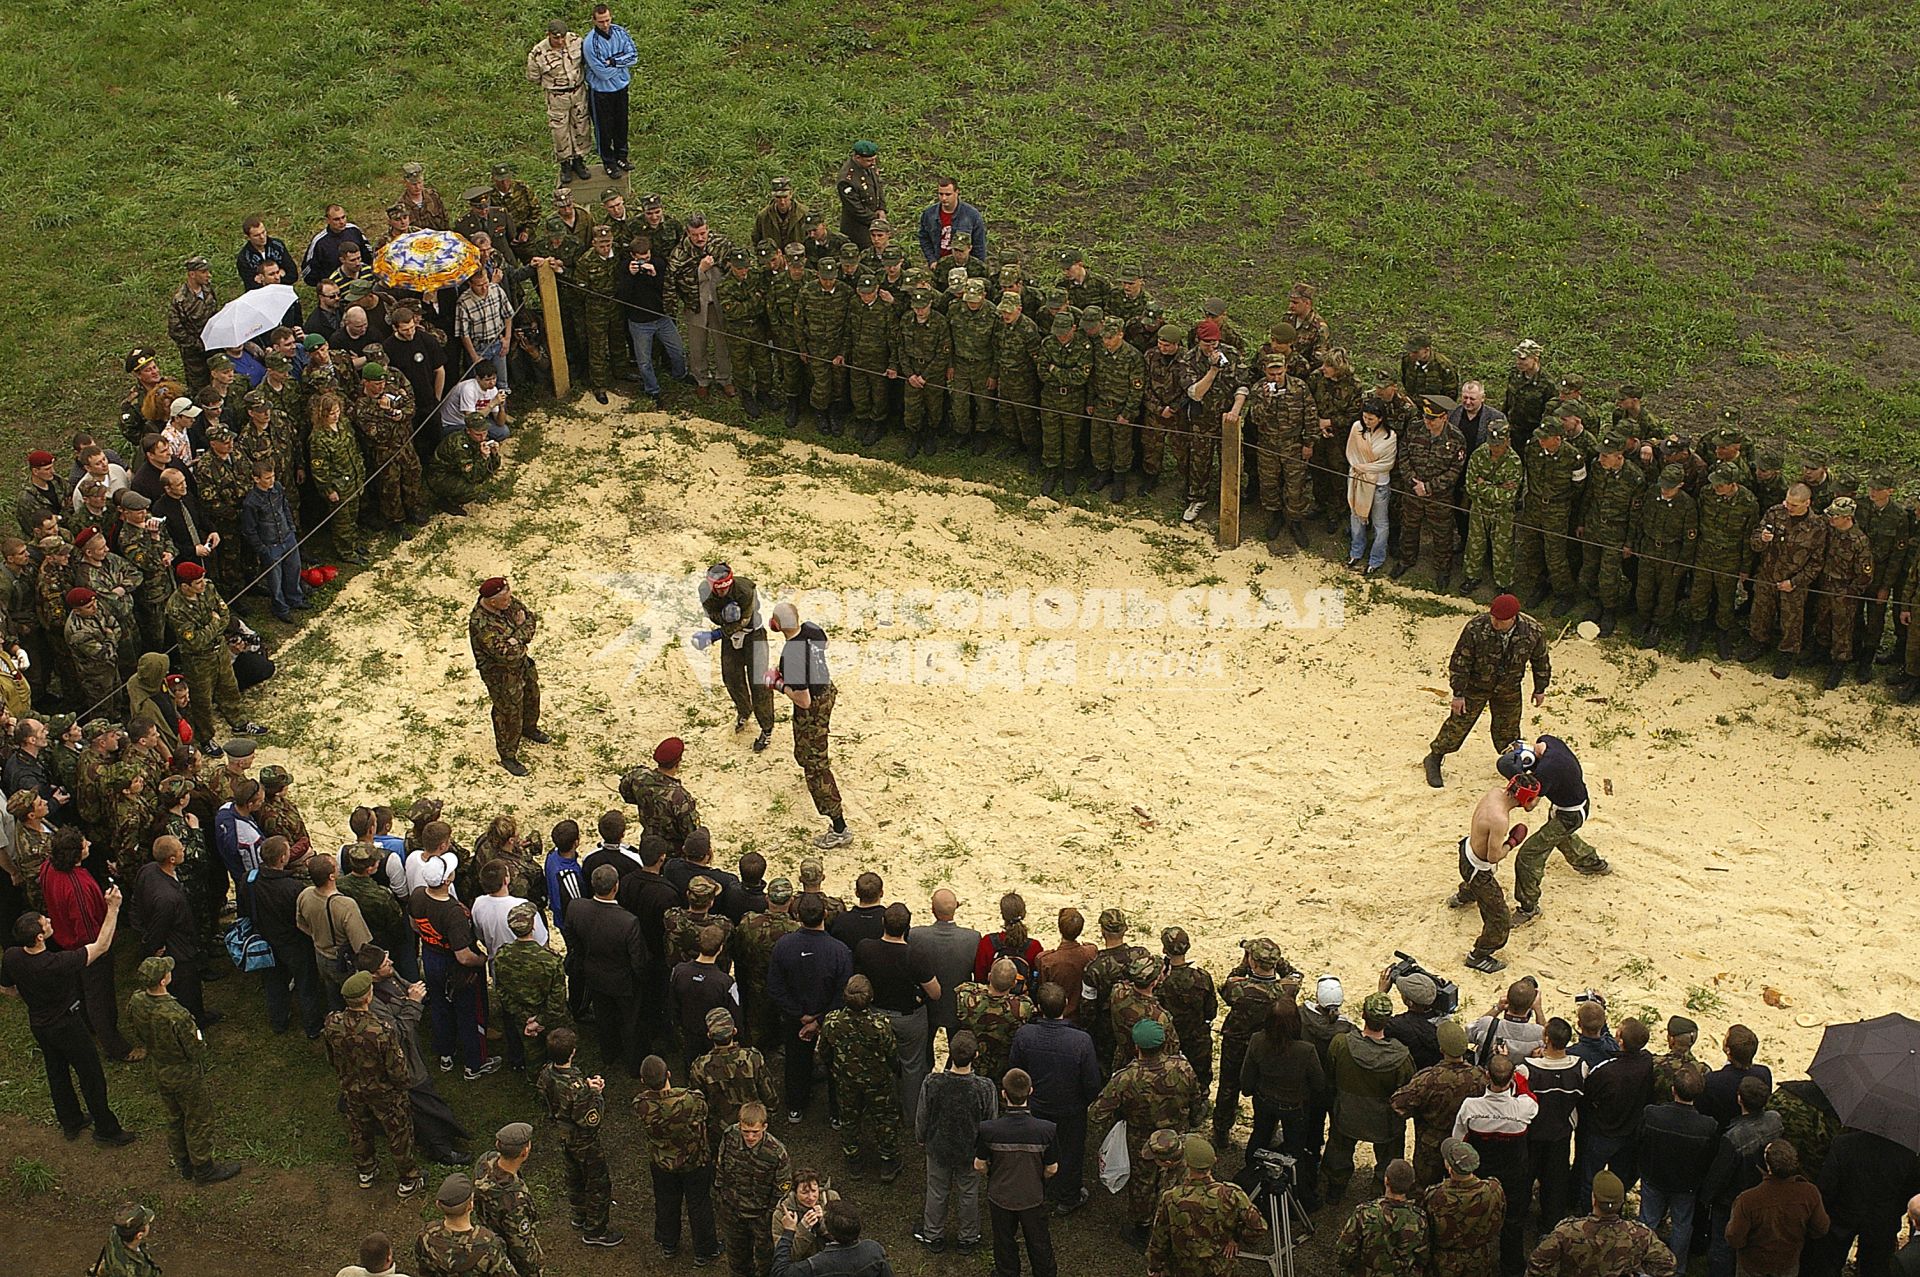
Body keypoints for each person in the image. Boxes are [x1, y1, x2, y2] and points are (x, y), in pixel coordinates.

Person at [2, 896, 136, 1143]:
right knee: (91, 1076)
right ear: (39, 937)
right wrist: (114, 908)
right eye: (46, 922)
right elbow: (101, 946)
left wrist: (30, 997)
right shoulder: (56, 963)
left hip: (40, 1025)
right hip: (68, 1025)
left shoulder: (11, 956)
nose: (50, 920)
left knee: (57, 1072)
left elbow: (7, 988)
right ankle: (107, 1130)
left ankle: (71, 1121)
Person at [1091, 1020, 1208, 1245]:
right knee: (1175, 1177)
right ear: (1164, 1044)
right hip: (1176, 1135)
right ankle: (1173, 1220)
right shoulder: (1183, 1067)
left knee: (1143, 1182)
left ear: (1137, 1047)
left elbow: (1097, 1113)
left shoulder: (1126, 1078)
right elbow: (1197, 1099)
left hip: (1141, 1138)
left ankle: (1142, 1227)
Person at [1424, 594, 1550, 789]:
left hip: (1508, 687)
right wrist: (1458, 693)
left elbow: (1540, 660)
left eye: (1500, 620)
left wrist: (1540, 688)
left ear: (1513, 618)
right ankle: (1435, 757)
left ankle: (1514, 768)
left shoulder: (1532, 631)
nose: (1495, 622)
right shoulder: (1476, 627)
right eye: (1493, 618)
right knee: (1458, 725)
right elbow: (1460, 660)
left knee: (1508, 731)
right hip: (1475, 686)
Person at [322, 970, 426, 1196]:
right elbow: (397, 1068)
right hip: (384, 1092)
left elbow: (331, 1057)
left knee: (359, 1129)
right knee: (399, 1133)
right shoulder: (381, 1030)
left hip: (352, 1088)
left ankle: (365, 1171)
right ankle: (408, 1179)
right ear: (369, 996)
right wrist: (403, 1086)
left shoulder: (333, 1023)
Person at [1007, 981, 1100, 1216]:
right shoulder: (1081, 1040)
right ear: (1066, 1005)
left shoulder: (1025, 1034)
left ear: (1038, 1007)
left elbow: (1016, 1070)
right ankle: (1068, 1197)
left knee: (1034, 1149)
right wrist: (1084, 1101)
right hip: (1070, 1108)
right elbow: (1091, 1081)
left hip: (1036, 1104)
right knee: (1070, 1151)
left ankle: (1035, 1190)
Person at [767, 599, 850, 849]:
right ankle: (807, 760)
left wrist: (778, 684)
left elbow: (803, 701)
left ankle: (839, 827)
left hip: (811, 705)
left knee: (815, 766)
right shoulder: (812, 629)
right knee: (805, 750)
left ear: (777, 625)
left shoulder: (791, 655)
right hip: (826, 692)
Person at [1236, 997, 1328, 1210]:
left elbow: (1247, 1075)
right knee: (1295, 1151)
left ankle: (1251, 1179)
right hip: (1294, 1107)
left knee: (1259, 1138)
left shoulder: (1257, 1040)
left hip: (1264, 1101)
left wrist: (1249, 1090)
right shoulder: (1305, 1051)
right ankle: (1300, 1195)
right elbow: (1319, 1083)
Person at [408, 854, 494, 1079]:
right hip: (455, 966)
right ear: (447, 881)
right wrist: (482, 960)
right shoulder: (454, 912)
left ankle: (445, 1054)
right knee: (468, 1013)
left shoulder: (417, 895)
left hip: (430, 957)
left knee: (439, 1006)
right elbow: (464, 956)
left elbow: (414, 925)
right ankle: (474, 1064)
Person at [854, 901, 939, 1124]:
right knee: (912, 1067)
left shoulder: (865, 948)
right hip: (908, 1018)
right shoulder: (915, 955)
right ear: (908, 927)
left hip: (875, 1015)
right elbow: (936, 992)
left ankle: (877, 1112)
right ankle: (911, 1117)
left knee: (876, 1063)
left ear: (883, 923)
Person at [1452, 1054, 1538, 1276]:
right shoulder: (1523, 1108)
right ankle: (1512, 1268)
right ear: (1510, 1080)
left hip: (1481, 1173)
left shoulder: (1471, 1107)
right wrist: (1520, 1078)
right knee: (1513, 1223)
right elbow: (1530, 1098)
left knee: (1476, 1220)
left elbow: (1458, 1139)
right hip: (1515, 1175)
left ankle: (1475, 1266)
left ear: (1487, 1075)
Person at [1325, 992, 1415, 1204]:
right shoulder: (1401, 1056)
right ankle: (1381, 1190)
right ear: (1388, 1020)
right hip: (1383, 1123)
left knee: (1339, 1149)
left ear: (1363, 1015)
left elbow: (1330, 1075)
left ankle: (1335, 1189)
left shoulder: (1340, 1044)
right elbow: (1405, 1092)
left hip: (1347, 1115)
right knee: (1390, 1154)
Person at [535, 1026, 622, 1245]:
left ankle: (579, 1215)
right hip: (583, 1141)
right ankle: (595, 1231)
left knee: (573, 1177)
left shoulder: (546, 1073)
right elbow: (590, 1120)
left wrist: (585, 1088)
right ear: (572, 1052)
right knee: (597, 1183)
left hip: (563, 1134)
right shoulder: (577, 1088)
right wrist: (596, 1095)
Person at [768, 897, 852, 1121]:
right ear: (825, 914)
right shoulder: (839, 951)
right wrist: (819, 1019)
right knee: (834, 1062)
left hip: (797, 1017)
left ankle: (796, 1107)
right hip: (828, 1018)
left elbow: (775, 987)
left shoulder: (783, 945)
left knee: (795, 1061)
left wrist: (800, 1016)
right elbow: (843, 992)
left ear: (797, 916)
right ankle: (835, 1114)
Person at [1449, 770, 1542, 972]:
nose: (1536, 803)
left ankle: (1462, 897)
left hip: (1466, 853)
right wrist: (1512, 842)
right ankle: (1478, 956)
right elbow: (1494, 856)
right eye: (1534, 800)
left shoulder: (1494, 793)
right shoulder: (1500, 820)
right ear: (1525, 798)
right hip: (1478, 871)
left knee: (1474, 883)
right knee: (1500, 919)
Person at [913, 1028, 997, 1250]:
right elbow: (990, 1121)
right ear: (976, 1055)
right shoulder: (985, 1087)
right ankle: (968, 1238)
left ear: (949, 1053)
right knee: (969, 1192)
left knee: (937, 1190)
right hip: (970, 1150)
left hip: (938, 1147)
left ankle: (933, 1234)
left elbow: (923, 1115)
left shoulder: (932, 1082)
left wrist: (921, 1138)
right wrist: (986, 1151)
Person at [634, 1054, 722, 1263]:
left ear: (643, 1081)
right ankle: (705, 1250)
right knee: (699, 1204)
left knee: (666, 1203)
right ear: (669, 1074)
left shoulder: (641, 1104)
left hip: (662, 1163)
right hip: (695, 1162)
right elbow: (705, 1113)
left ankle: (668, 1244)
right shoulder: (692, 1099)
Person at [974, 1066, 1059, 1277]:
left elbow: (978, 1164)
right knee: (1039, 1242)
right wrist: (1038, 1178)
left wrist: (992, 1175)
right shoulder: (1046, 1130)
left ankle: (1007, 1272)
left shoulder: (988, 1129)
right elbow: (1052, 1168)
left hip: (1000, 1196)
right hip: (1033, 1196)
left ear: (1004, 1094)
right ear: (1030, 1092)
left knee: (1003, 1241)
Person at [1636, 1063, 1720, 1272]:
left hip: (1654, 1177)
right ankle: (1677, 1268)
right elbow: (1709, 1157)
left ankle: (1641, 1265)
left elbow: (1640, 1141)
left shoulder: (1653, 1114)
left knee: (1648, 1221)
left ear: (1673, 1090)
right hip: (1686, 1184)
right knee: (1681, 1226)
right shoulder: (1707, 1126)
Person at [1740, 483, 1829, 679]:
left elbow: (1816, 563)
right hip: (1767, 575)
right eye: (1787, 502)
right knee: (1760, 612)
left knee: (1791, 621)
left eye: (1794, 505)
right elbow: (1754, 542)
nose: (1789, 508)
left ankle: (1787, 654)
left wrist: (1795, 582)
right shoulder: (1775, 513)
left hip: (1794, 582)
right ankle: (1758, 642)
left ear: (1807, 503)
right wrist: (1762, 539)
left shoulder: (1818, 526)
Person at [566, 863, 648, 1076]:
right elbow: (638, 960)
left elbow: (572, 938)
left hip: (594, 975)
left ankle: (609, 1055)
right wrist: (640, 979)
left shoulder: (576, 908)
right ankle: (633, 1064)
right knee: (630, 1022)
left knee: (603, 1017)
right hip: (622, 981)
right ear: (616, 886)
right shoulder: (628, 922)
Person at [818, 974, 902, 1180]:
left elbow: (824, 1051)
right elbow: (891, 1053)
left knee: (849, 1117)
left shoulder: (832, 1021)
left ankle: (853, 1159)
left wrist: (833, 1067)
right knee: (884, 1119)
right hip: (877, 1081)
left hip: (846, 1080)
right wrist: (895, 1070)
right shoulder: (880, 1024)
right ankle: (888, 1161)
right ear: (871, 998)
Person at [1391, 1019, 1488, 1189]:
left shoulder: (1428, 1078)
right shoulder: (1480, 1077)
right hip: (1466, 1143)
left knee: (1425, 1188)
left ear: (1442, 1049)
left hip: (1430, 1146)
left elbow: (1398, 1104)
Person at [469, 577, 550, 777]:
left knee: (532, 697)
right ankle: (508, 755)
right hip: (500, 675)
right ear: (492, 602)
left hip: (521, 666)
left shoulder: (507, 601)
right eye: (505, 599)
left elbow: (530, 620)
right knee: (508, 713)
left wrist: (515, 638)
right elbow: (506, 654)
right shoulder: (481, 624)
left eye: (509, 596)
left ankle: (529, 729)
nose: (510, 601)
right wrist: (519, 633)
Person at [1528, 1169, 1676, 1277]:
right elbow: (1668, 1265)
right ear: (1621, 1202)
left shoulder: (1567, 1232)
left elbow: (1536, 1264)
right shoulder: (1640, 1235)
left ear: (1594, 1199)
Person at [1577, 1017, 1656, 1209]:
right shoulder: (1647, 1062)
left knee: (1590, 1180)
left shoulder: (1607, 1071)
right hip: (1629, 1133)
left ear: (1620, 1041)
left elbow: (1587, 1098)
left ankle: (1588, 1215)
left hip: (1602, 1133)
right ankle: (1615, 1216)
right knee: (1619, 1181)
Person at [1516, 1018, 1588, 1229]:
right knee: (1555, 1185)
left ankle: (1520, 1222)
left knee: (1525, 1180)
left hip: (1533, 1135)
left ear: (1546, 1039)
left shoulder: (1527, 1069)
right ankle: (1549, 1229)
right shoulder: (1580, 1067)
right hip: (1561, 1135)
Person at [696, 563, 776, 749]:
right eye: (719, 589)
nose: (723, 593)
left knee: (759, 683)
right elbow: (710, 613)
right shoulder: (704, 591)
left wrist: (715, 635)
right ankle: (744, 711)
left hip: (753, 635)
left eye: (726, 588)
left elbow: (745, 619)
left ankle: (767, 728)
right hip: (730, 635)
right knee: (731, 677)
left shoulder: (746, 589)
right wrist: (723, 618)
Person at [1728, 1141, 1829, 1277]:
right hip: (1788, 1263)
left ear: (1768, 1165)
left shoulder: (1747, 1199)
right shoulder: (1810, 1193)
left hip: (1753, 1265)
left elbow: (1734, 1238)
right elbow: (1821, 1228)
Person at [718, 1101, 792, 1277]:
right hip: (733, 1212)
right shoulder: (730, 1136)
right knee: (737, 1261)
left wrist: (769, 1216)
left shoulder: (776, 1153)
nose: (750, 1137)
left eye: (755, 1132)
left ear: (764, 1127)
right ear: (739, 1126)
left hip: (761, 1217)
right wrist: (722, 1201)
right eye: (746, 1132)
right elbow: (720, 1169)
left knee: (766, 1262)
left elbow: (782, 1191)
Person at [298, 852, 373, 1009]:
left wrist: (317, 936)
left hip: (320, 954)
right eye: (336, 866)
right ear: (331, 877)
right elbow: (361, 944)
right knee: (353, 998)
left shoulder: (305, 895)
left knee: (332, 993)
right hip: (340, 961)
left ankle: (334, 1021)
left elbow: (300, 924)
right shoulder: (346, 905)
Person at [910, 887, 981, 1051]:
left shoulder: (916, 935)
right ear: (956, 907)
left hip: (926, 1008)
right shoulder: (972, 938)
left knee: (923, 1053)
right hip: (956, 1007)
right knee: (960, 1052)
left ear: (932, 910)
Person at [1423, 1139, 1505, 1277]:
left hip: (1445, 1262)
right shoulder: (1494, 1189)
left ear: (1449, 1168)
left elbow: (1427, 1229)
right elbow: (1499, 1219)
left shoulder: (1435, 1195)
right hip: (1480, 1258)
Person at [1336, 1158, 1431, 1277]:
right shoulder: (1419, 1219)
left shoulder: (1364, 1213)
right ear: (1412, 1183)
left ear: (1386, 1180)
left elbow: (1344, 1251)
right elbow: (1423, 1257)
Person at [471, 1122, 543, 1277]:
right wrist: (533, 1269)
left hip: (488, 1229)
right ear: (525, 1152)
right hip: (507, 1250)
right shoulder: (515, 1201)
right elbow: (521, 1246)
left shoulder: (485, 1161)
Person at [525, 20, 592, 183]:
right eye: (556, 38)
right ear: (548, 35)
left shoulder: (576, 41)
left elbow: (585, 61)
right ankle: (565, 164)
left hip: (578, 92)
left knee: (581, 126)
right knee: (560, 131)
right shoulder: (538, 53)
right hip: (557, 97)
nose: (561, 41)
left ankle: (579, 161)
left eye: (562, 38)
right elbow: (533, 77)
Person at [415, 1174, 516, 1277]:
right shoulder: (489, 1244)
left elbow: (422, 1267)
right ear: (470, 1206)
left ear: (438, 1204)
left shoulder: (426, 1235)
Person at [581, 5, 636, 177]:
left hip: (621, 88)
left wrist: (612, 62)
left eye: (607, 20)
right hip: (601, 92)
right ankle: (608, 161)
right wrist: (621, 63)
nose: (605, 24)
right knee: (604, 128)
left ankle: (621, 156)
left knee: (621, 124)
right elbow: (602, 73)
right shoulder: (590, 43)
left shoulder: (620, 32)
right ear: (594, 21)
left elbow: (633, 56)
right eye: (601, 21)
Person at [1346, 396, 1398, 575]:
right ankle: (1356, 551)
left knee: (1380, 523)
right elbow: (1351, 453)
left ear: (1381, 418)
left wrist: (1364, 468)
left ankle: (1376, 558)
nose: (1367, 421)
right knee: (1356, 515)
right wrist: (1358, 468)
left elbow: (1386, 463)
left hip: (1379, 484)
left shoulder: (1390, 436)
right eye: (1365, 417)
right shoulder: (1356, 428)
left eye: (1371, 418)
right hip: (1357, 479)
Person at [772, 1199, 889, 1277]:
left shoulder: (818, 1264)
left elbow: (780, 1273)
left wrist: (789, 1232)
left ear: (829, 1229)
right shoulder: (874, 1249)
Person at [918, 176, 987, 264]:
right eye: (940, 194)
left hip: (963, 265)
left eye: (948, 194)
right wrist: (932, 260)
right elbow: (924, 238)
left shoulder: (972, 215)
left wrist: (976, 267)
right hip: (939, 265)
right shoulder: (929, 214)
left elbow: (979, 245)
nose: (944, 198)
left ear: (957, 192)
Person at [835, 140, 886, 248]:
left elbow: (877, 186)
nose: (873, 163)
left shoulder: (867, 166)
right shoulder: (847, 179)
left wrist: (881, 208)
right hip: (858, 229)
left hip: (874, 219)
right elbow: (856, 209)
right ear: (858, 158)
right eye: (869, 160)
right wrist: (876, 220)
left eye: (874, 159)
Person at [93, 1203, 163, 1277]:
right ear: (139, 1235)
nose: (148, 1225)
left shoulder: (116, 1232)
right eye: (147, 1224)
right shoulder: (133, 1270)